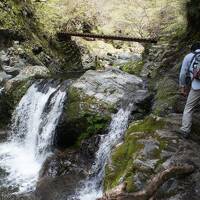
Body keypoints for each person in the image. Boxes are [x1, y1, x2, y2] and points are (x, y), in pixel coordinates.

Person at [178, 42, 200, 138]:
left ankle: (185, 130)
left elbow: (183, 74)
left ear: (192, 49)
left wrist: (182, 87)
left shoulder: (189, 56)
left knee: (189, 108)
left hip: (197, 86)